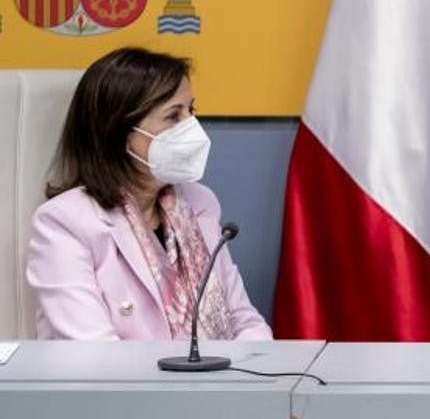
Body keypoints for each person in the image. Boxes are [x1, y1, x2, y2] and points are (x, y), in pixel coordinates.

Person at [27, 47, 271, 340]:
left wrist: (244, 379)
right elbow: (90, 352)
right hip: (119, 385)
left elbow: (245, 322)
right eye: (173, 116)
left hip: (218, 383)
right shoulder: (65, 222)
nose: (192, 128)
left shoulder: (199, 203)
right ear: (118, 132)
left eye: (190, 110)